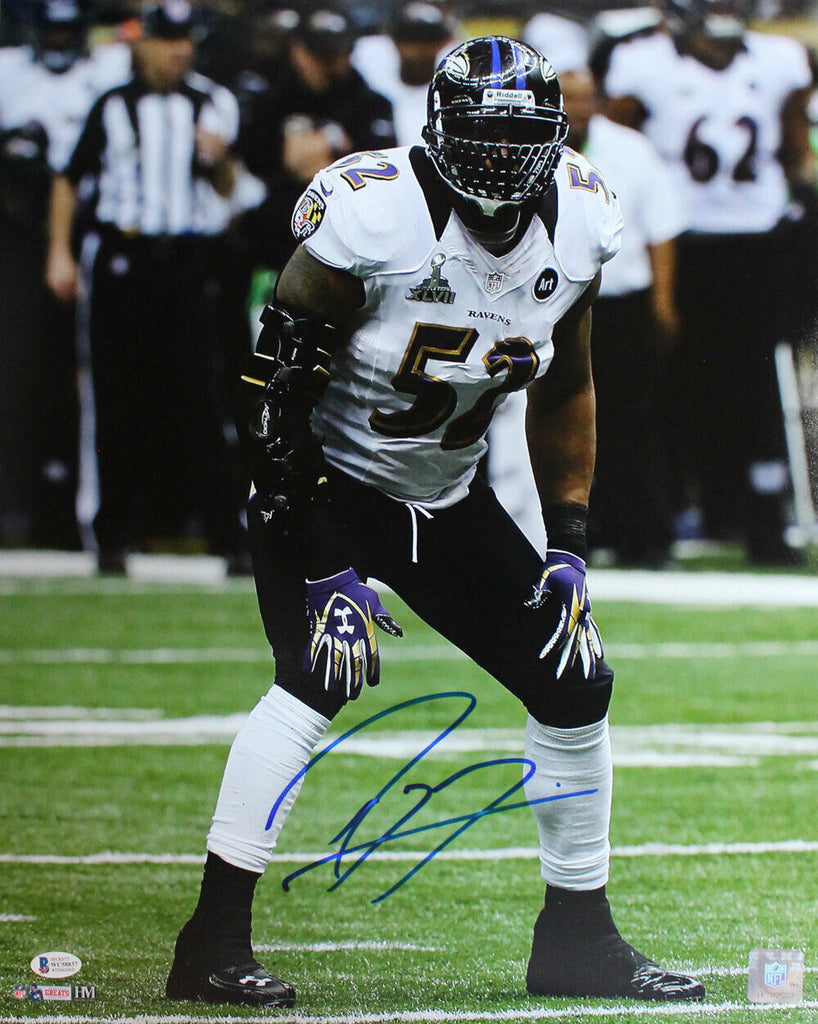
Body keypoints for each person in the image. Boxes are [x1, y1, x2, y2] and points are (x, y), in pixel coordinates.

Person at [165, 36, 706, 1009]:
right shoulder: (373, 211)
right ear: (438, 127)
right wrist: (326, 566)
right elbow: (270, 399)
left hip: (446, 491)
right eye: (483, 134)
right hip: (321, 480)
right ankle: (210, 943)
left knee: (574, 678)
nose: (501, 156)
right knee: (317, 675)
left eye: (521, 137)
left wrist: (568, 546)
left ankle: (577, 941)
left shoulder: (581, 219)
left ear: (555, 139)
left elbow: (565, 387)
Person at [603, 0, 816, 563]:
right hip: (681, 241)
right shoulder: (643, 62)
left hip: (759, 241)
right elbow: (620, 151)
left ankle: (761, 515)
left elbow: (796, 150)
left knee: (757, 381)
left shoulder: (779, 60)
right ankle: (675, 507)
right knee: (671, 376)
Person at [46, 0, 247, 573]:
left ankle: (229, 536)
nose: (180, 51)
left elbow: (229, 193)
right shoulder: (111, 105)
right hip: (122, 259)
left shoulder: (211, 102)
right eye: (168, 40)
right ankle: (111, 537)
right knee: (115, 400)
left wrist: (220, 158)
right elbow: (69, 178)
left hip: (186, 260)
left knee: (203, 400)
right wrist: (60, 251)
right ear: (143, 45)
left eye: (187, 40)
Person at [489, 65, 685, 566]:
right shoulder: (519, 149)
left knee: (627, 420)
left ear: (598, 101)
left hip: (619, 302)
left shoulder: (630, 150)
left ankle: (641, 534)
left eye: (584, 98)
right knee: (551, 412)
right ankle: (571, 532)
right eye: (567, 99)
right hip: (545, 301)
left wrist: (663, 301)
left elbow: (661, 227)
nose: (576, 108)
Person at [0, 0, 130, 549]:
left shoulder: (106, 75)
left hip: (88, 233)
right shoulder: (10, 73)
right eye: (49, 34)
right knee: (22, 374)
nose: (57, 44)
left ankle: (85, 513)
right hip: (16, 237)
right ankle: (26, 507)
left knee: (90, 375)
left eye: (64, 34)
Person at [238, 5, 396, 276]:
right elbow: (259, 161)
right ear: (298, 51)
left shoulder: (372, 104)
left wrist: (315, 152)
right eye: (320, 54)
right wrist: (332, 149)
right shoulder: (272, 99)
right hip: (280, 231)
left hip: (351, 231)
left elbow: (384, 172)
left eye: (338, 54)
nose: (328, 64)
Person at [351, 1, 457, 146]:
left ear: (443, 43)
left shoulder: (450, 92)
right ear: (395, 41)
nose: (419, 49)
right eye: (410, 40)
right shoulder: (368, 68)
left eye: (429, 40)